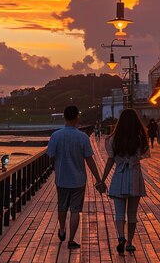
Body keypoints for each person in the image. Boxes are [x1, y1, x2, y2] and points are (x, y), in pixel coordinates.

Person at [47, 105, 105, 249]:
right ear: (77, 117)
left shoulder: (56, 135)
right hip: (78, 179)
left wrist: (55, 168)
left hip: (61, 178)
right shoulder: (83, 137)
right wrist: (98, 179)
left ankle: (61, 229)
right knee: (75, 210)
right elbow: (89, 160)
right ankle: (71, 240)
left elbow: (50, 156)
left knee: (62, 206)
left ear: (65, 117)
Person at [99, 109, 150, 254]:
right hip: (134, 175)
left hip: (119, 176)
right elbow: (143, 155)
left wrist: (102, 179)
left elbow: (110, 161)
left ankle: (121, 237)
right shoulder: (140, 138)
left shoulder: (113, 139)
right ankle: (130, 242)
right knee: (132, 213)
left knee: (119, 212)